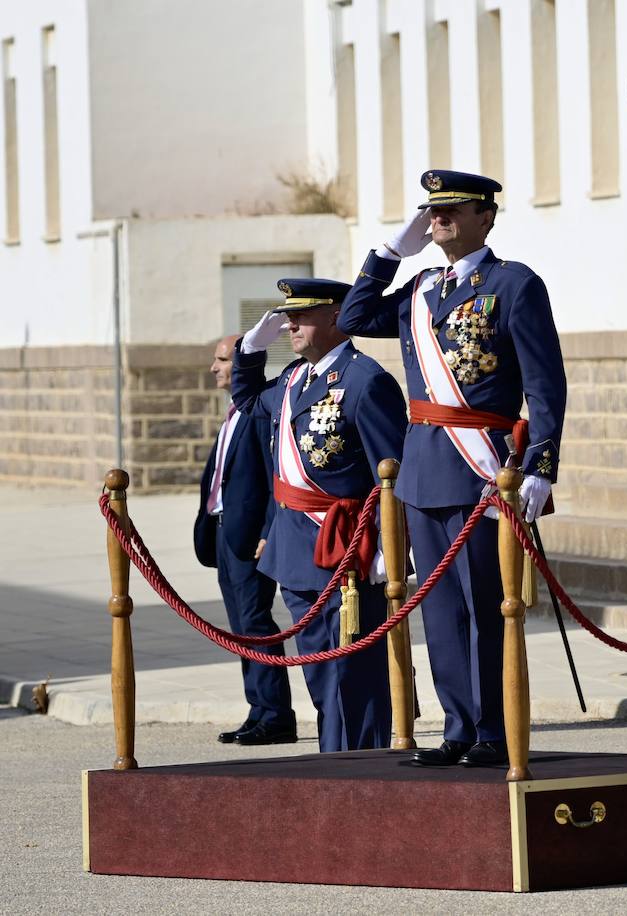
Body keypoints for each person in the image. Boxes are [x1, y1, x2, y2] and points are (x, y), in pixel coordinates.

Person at [339, 170, 567, 769]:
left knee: (483, 603)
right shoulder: (419, 289)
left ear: (485, 216)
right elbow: (355, 318)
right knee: (440, 610)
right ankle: (459, 725)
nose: (438, 219)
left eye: (451, 210)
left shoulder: (513, 284)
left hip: (481, 468)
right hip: (422, 468)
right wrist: (391, 252)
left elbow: (545, 383)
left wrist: (541, 464)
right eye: (431, 212)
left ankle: (493, 726)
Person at [231, 279, 407, 753]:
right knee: (319, 671)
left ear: (336, 316)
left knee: (350, 673)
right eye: (288, 315)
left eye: (303, 315)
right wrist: (249, 348)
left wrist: (391, 545)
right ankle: (336, 763)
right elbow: (248, 402)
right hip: (295, 545)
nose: (290, 323)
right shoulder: (292, 379)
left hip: (343, 547)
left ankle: (355, 766)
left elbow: (391, 473)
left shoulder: (365, 380)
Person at [193, 335, 295, 746]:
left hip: (250, 537)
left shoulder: (257, 410)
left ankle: (276, 715)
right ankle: (257, 709)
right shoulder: (232, 412)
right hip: (223, 532)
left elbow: (276, 476)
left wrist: (270, 532)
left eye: (222, 360)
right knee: (240, 628)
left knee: (255, 624)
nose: (215, 368)